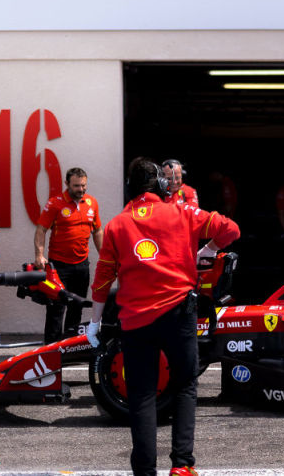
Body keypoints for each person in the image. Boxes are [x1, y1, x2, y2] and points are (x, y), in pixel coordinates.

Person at [86, 157, 240, 476]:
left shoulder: (116, 226)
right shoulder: (182, 212)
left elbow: (101, 279)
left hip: (135, 320)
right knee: (184, 385)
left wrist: (95, 322)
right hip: (178, 313)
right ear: (160, 184)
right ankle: (182, 465)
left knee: (141, 394)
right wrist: (208, 250)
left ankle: (144, 471)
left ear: (129, 188)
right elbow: (231, 229)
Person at [34, 167, 103, 343]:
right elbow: (41, 230)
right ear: (67, 184)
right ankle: (52, 348)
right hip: (58, 266)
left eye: (83, 185)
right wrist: (39, 255)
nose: (81, 189)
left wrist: (104, 255)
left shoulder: (92, 203)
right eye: (76, 186)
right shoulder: (55, 203)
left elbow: (97, 231)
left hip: (82, 265)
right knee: (56, 308)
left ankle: (70, 346)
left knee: (76, 306)